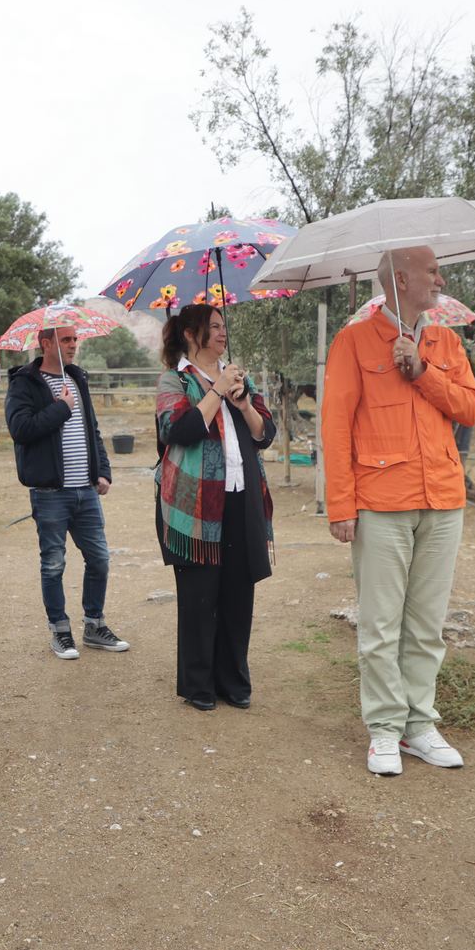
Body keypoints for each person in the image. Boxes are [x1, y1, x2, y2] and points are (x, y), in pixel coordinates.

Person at [321, 245, 475, 776]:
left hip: (443, 498)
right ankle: (385, 729)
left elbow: (471, 409)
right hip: (380, 502)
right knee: (381, 624)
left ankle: (420, 726)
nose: (440, 278)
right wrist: (341, 505)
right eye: (431, 270)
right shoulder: (353, 342)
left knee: (427, 624)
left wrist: (423, 371)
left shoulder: (446, 340)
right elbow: (335, 427)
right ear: (400, 278)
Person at [155, 305, 277, 711]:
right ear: (192, 334)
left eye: (224, 326)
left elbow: (265, 434)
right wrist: (216, 390)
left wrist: (243, 405)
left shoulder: (240, 378)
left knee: (238, 594)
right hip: (195, 504)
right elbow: (180, 430)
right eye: (214, 327)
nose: (223, 333)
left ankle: (234, 681)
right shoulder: (176, 379)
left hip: (242, 497)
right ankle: (198, 685)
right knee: (200, 596)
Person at [4, 324, 127, 660]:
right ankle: (60, 632)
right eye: (67, 339)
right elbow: (21, 429)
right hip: (49, 493)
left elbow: (92, 429)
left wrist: (102, 470)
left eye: (75, 339)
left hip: (85, 491)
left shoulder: (77, 379)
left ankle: (94, 625)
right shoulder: (23, 383)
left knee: (99, 559)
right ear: (46, 343)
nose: (74, 344)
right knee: (53, 565)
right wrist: (60, 407)